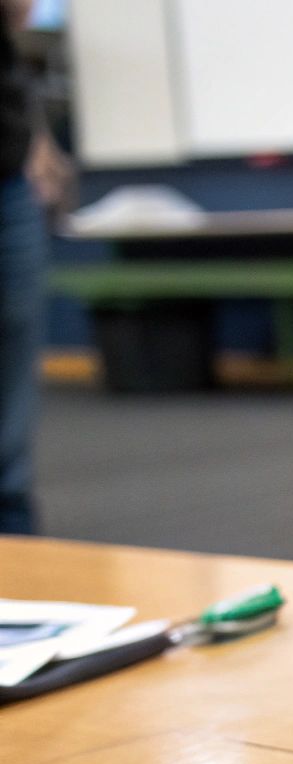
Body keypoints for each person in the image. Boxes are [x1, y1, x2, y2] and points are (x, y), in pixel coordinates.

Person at [0, 0, 73, 534]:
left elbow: (15, 18)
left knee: (10, 418)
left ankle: (20, 575)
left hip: (7, 170)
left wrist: (36, 135)